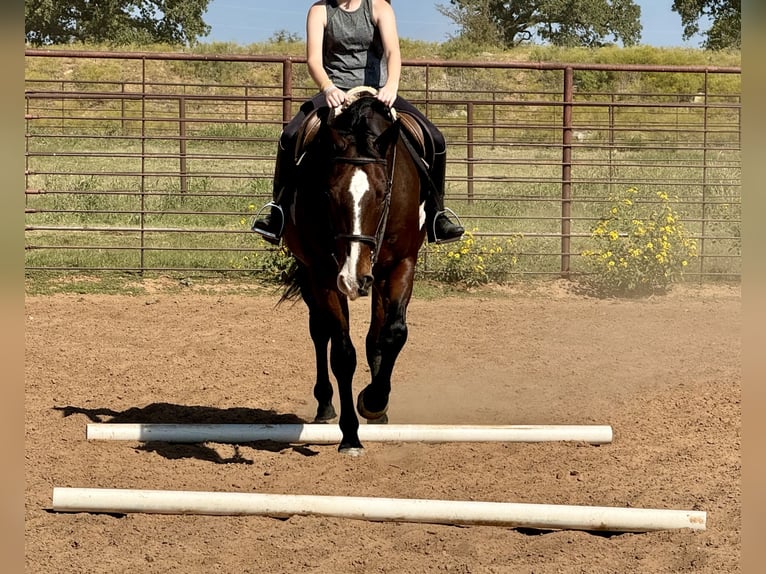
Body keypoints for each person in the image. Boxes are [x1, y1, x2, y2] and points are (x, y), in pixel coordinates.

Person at [252, 0, 464, 245]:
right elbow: (313, 60)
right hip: (336, 93)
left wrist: (391, 85)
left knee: (435, 138)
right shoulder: (319, 11)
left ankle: (437, 215)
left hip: (377, 93)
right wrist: (328, 87)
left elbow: (393, 52)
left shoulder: (379, 7)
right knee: (289, 136)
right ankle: (277, 212)